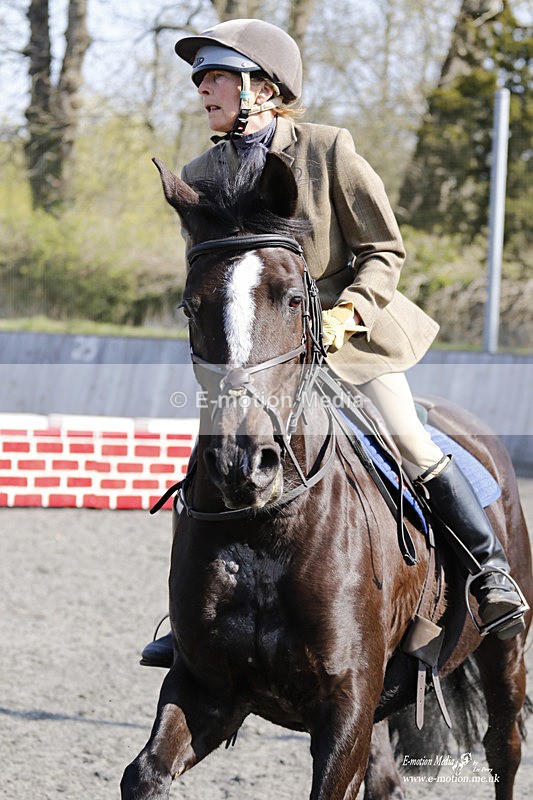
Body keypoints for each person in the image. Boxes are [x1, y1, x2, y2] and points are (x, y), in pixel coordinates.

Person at [141, 18, 526, 666]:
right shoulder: (202, 170)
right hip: (264, 354)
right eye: (201, 78)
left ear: (262, 87)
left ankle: (488, 575)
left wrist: (343, 316)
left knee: (406, 438)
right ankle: (191, 621)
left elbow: (384, 249)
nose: (202, 88)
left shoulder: (327, 148)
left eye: (215, 76)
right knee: (215, 459)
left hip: (348, 338)